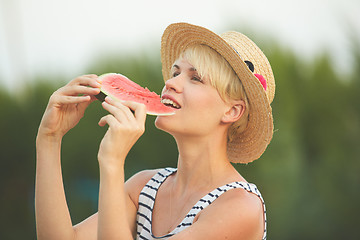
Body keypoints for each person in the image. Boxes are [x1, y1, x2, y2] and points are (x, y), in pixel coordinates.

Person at [35, 22, 275, 240]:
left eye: (196, 78)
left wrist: (112, 163)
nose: (171, 83)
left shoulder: (240, 206)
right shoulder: (144, 188)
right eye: (175, 72)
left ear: (232, 111)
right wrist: (49, 139)